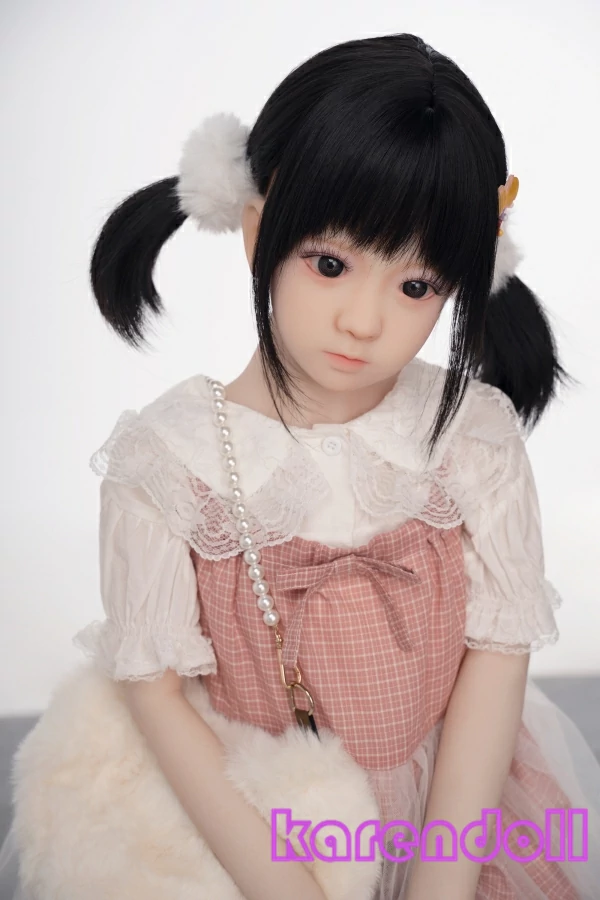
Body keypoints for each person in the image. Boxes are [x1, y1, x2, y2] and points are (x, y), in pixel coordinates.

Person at [1, 31, 599, 900]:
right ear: (258, 231)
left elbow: (496, 656)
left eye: (417, 285)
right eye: (330, 263)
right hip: (245, 827)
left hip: (453, 818)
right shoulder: (170, 464)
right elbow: (157, 694)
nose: (364, 320)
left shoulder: (471, 439)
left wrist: (441, 885)